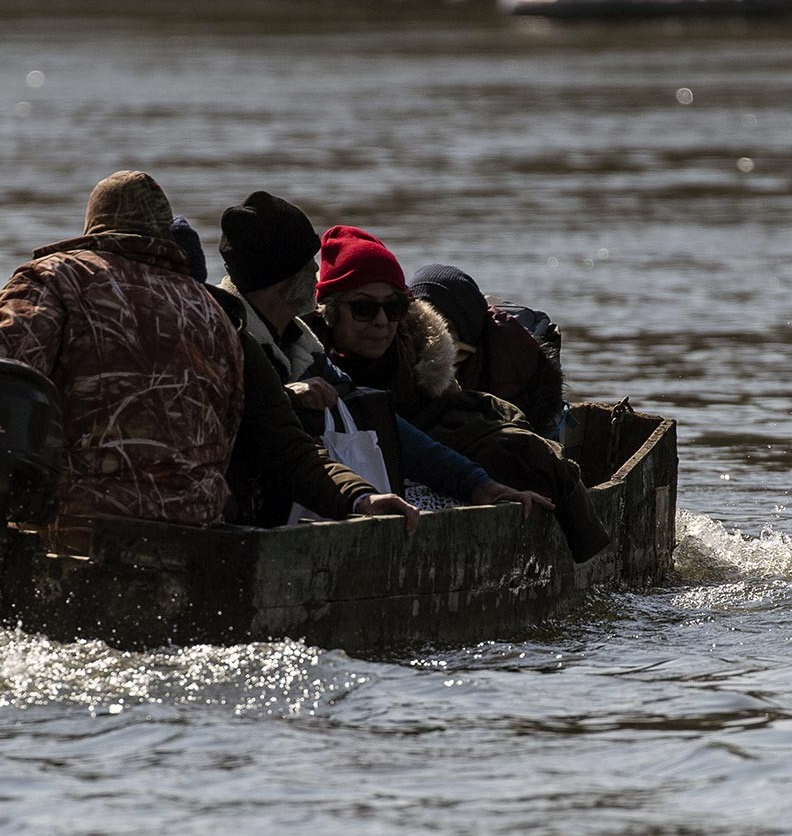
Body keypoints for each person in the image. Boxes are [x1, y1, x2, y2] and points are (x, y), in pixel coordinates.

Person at [0, 197, 420, 535]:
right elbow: (286, 446)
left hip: (75, 517)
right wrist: (358, 497)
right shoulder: (217, 316)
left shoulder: (58, 280)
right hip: (196, 524)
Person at [215, 191, 547, 516]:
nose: (316, 273)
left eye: (395, 307)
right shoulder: (226, 342)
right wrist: (288, 396)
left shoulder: (302, 347)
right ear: (282, 279)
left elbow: (380, 423)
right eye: (306, 265)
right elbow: (237, 421)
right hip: (239, 512)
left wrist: (477, 484)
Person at [313, 226, 611, 562]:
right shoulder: (311, 362)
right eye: (364, 309)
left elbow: (409, 438)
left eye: (394, 308)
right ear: (331, 312)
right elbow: (387, 431)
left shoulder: (418, 360)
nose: (382, 321)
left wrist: (480, 484)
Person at [409, 264, 564, 437]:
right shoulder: (401, 358)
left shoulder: (511, 368)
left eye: (441, 326)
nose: (428, 336)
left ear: (466, 332)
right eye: (419, 323)